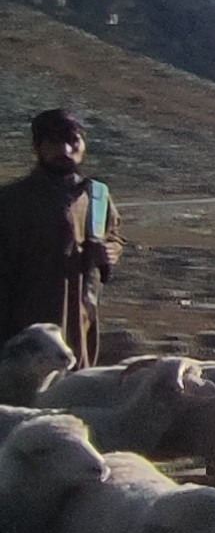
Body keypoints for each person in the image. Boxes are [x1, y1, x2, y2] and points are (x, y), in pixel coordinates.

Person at [0, 108, 122, 368]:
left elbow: (112, 237)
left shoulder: (98, 197)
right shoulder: (12, 201)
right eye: (55, 142)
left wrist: (111, 252)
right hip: (25, 330)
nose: (65, 150)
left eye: (73, 141)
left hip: (81, 320)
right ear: (38, 146)